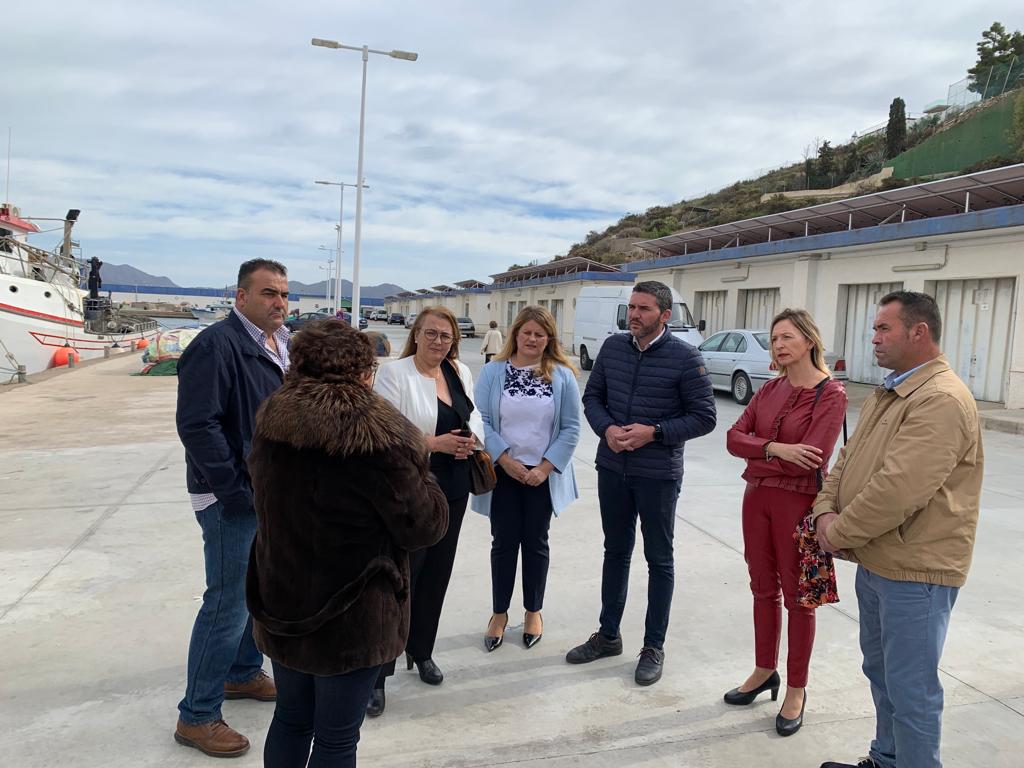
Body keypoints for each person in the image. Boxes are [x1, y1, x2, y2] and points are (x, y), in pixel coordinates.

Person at [246, 319, 449, 767]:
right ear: (364, 373)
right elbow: (424, 526)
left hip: (283, 600)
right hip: (353, 615)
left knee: (291, 719)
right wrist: (426, 474)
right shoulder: (385, 436)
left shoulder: (272, 419)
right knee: (337, 738)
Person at [814, 291, 984, 768]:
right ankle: (886, 758)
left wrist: (837, 531)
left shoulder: (941, 399)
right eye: (875, 329)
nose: (874, 338)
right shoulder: (891, 391)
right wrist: (825, 509)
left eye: (883, 329)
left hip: (916, 570)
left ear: (919, 332)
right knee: (883, 674)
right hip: (878, 560)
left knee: (911, 689)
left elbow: (898, 490)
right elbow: (846, 462)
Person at [568, 280, 716, 685]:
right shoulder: (613, 348)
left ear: (664, 315)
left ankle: (653, 646)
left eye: (644, 309)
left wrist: (655, 432)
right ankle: (609, 635)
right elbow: (592, 398)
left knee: (659, 560)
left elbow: (704, 417)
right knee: (615, 552)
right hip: (613, 469)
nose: (634, 315)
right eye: (631, 308)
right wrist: (607, 429)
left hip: (658, 476)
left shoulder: (686, 358)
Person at [174, 259, 291, 757]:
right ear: (240, 297)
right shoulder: (217, 345)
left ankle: (242, 674)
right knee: (225, 603)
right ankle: (196, 716)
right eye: (268, 293)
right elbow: (198, 425)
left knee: (253, 589)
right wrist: (238, 491)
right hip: (232, 498)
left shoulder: (276, 344)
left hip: (264, 492)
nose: (279, 303)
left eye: (284, 295)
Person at [724, 309, 847, 737]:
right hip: (756, 500)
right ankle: (763, 670)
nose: (778, 345)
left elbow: (811, 458)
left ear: (809, 341)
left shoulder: (830, 394)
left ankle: (796, 688)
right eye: (775, 338)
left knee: (799, 597)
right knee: (762, 587)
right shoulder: (769, 389)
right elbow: (732, 438)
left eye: (787, 337)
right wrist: (776, 447)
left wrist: (761, 453)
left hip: (799, 505)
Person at [369, 306, 485, 715]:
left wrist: (473, 441)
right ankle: (379, 674)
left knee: (437, 573)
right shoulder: (394, 374)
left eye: (446, 336)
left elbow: (475, 416)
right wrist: (435, 444)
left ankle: (422, 651)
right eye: (431, 333)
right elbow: (385, 434)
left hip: (453, 488)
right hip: (410, 490)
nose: (438, 342)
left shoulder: (459, 373)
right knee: (402, 578)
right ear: (416, 334)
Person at [472, 306, 582, 651]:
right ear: (515, 334)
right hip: (503, 473)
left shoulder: (562, 375)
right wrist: (505, 460)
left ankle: (533, 610)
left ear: (549, 338)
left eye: (540, 333)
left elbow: (571, 427)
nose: (532, 339)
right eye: (526, 332)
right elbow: (482, 421)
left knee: (536, 543)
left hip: (541, 476)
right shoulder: (493, 372)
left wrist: (544, 468)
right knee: (503, 544)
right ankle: (499, 613)